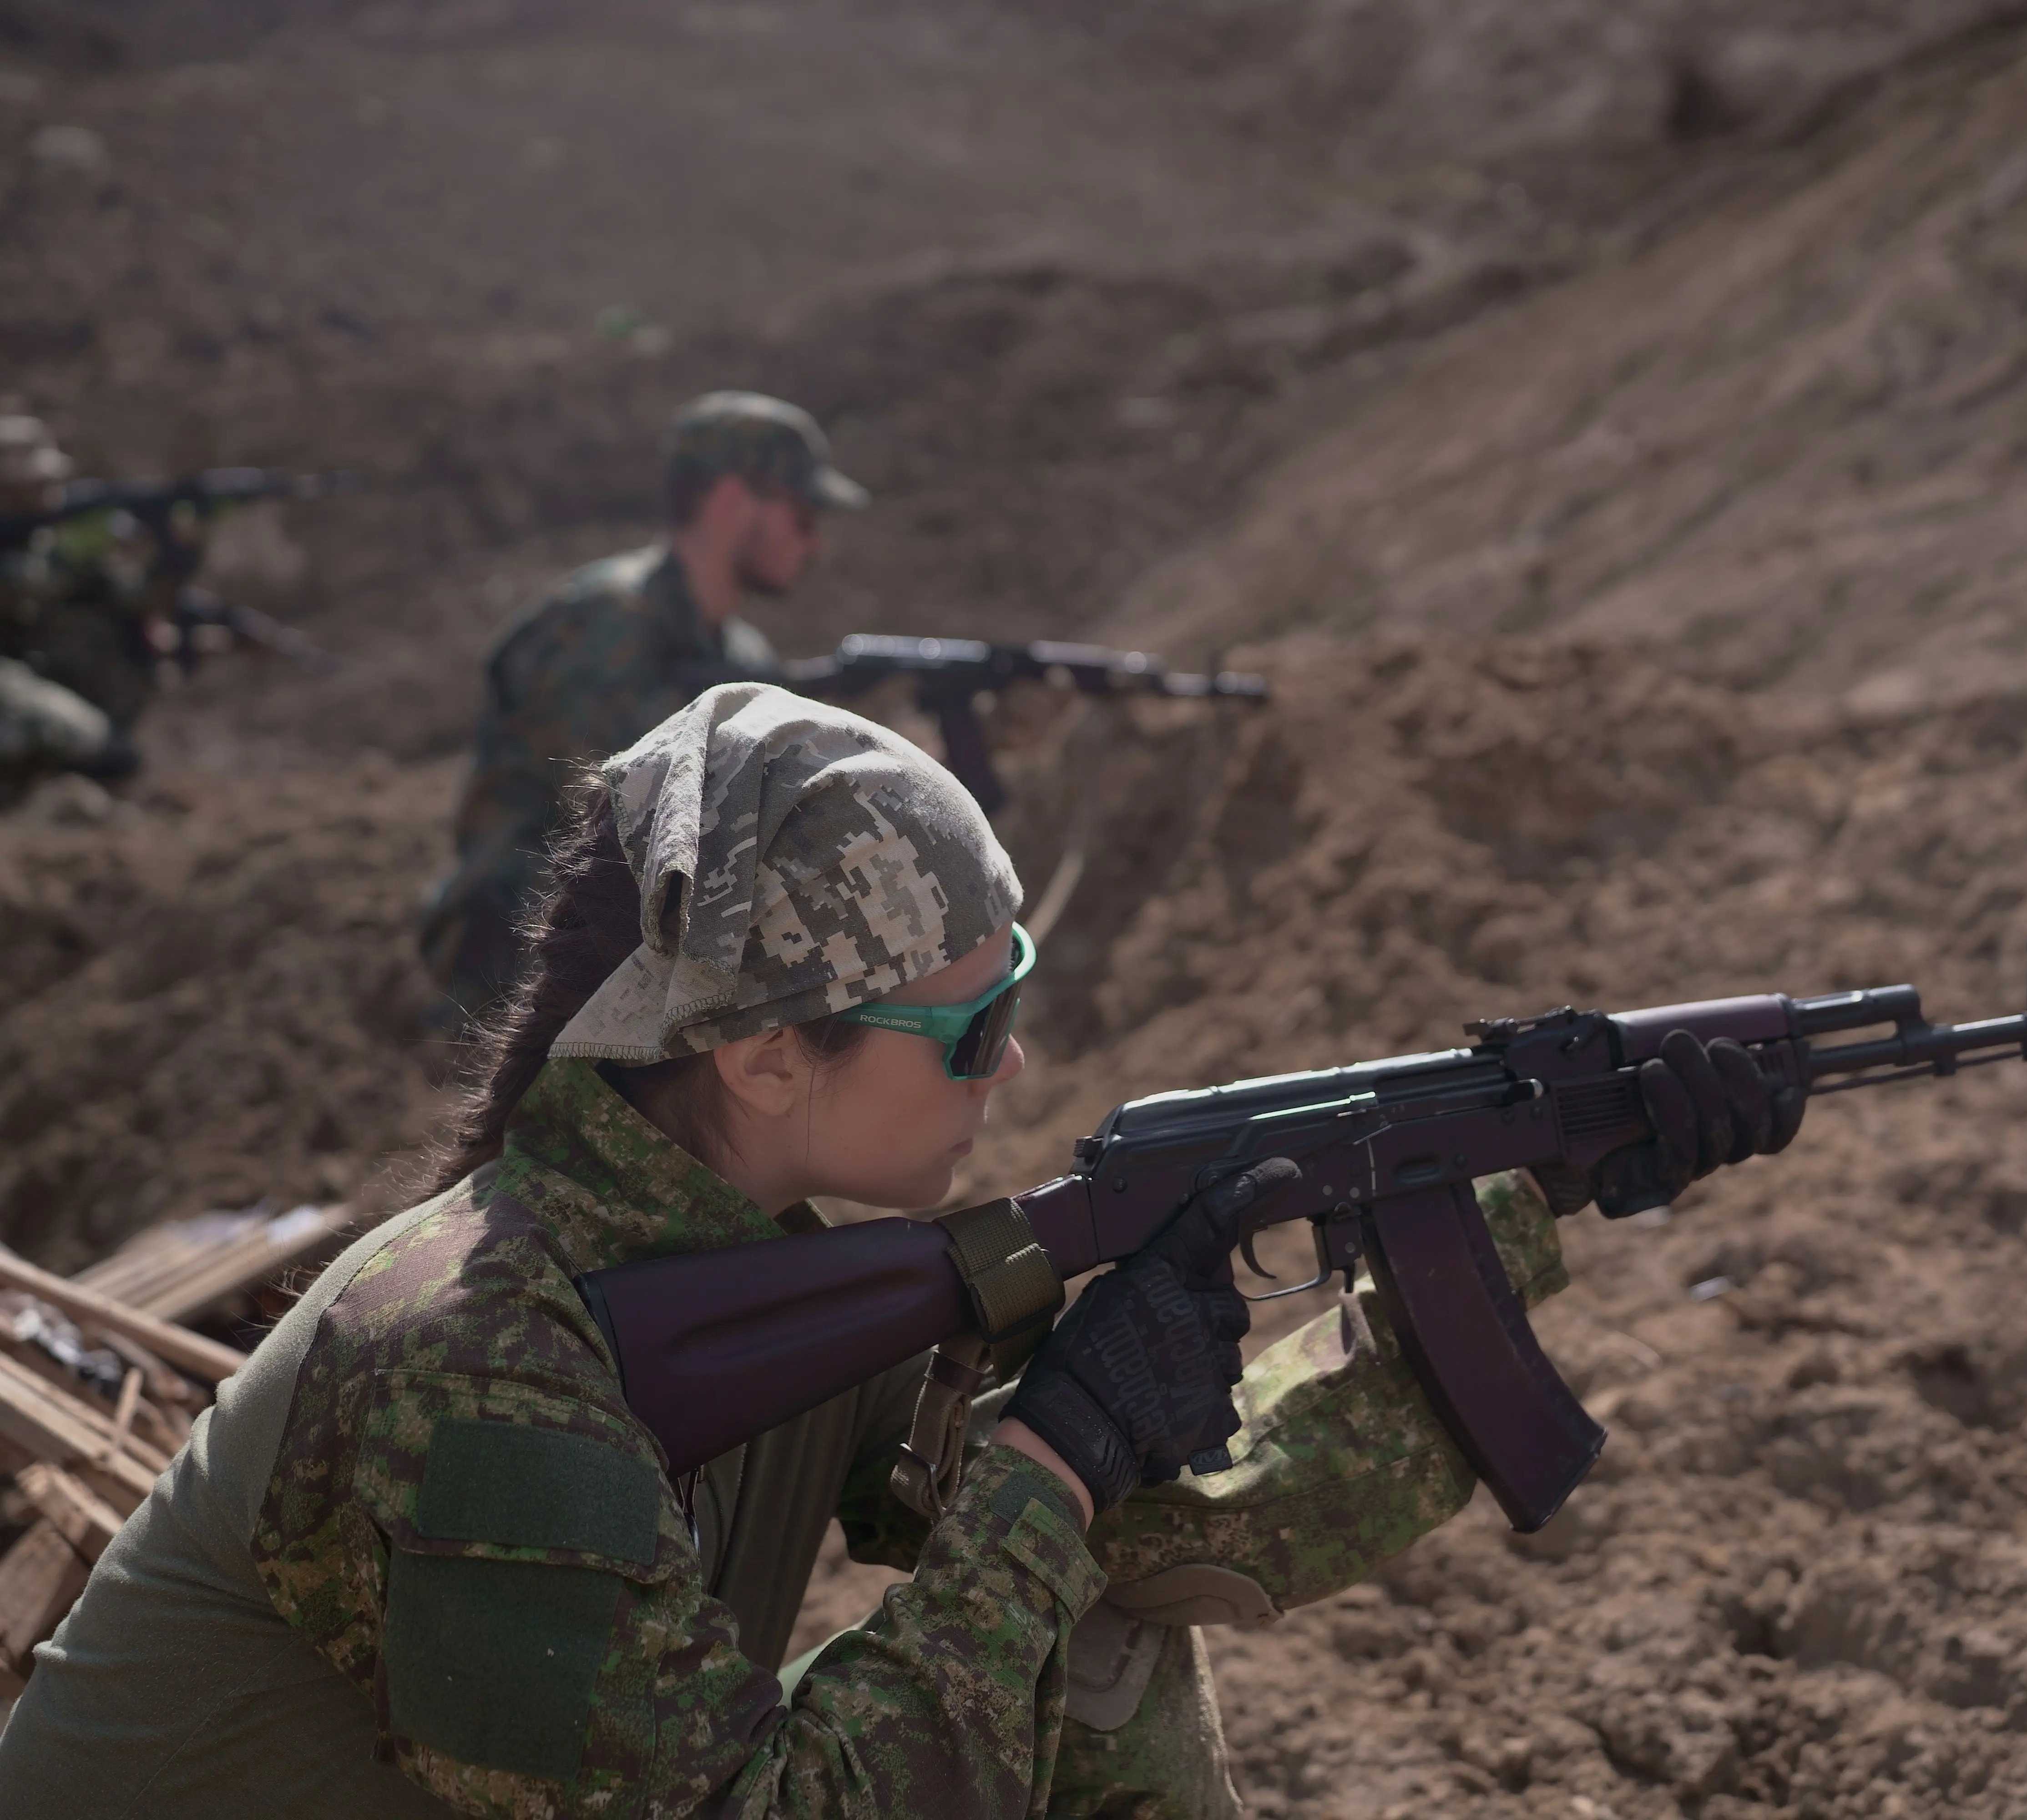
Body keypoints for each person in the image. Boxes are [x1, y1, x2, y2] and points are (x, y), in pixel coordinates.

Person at [0, 684, 1799, 1817]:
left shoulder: (750, 1262)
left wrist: (1519, 1197)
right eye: (969, 1029)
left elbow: (1166, 1544)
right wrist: (1049, 1464)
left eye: (1015, 997)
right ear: (763, 1053)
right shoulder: (478, 1353)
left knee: (1094, 1635)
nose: (1010, 1062)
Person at [419, 391, 867, 1031]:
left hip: (626, 970)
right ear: (733, 504)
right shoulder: (602, 625)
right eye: (803, 516)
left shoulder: (741, 656)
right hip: (515, 975)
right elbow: (625, 819)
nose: (816, 544)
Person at [0, 413, 141, 788]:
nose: (53, 493)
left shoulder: (42, 543)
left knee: (114, 752)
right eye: (37, 485)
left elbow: (125, 599)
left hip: (23, 665)